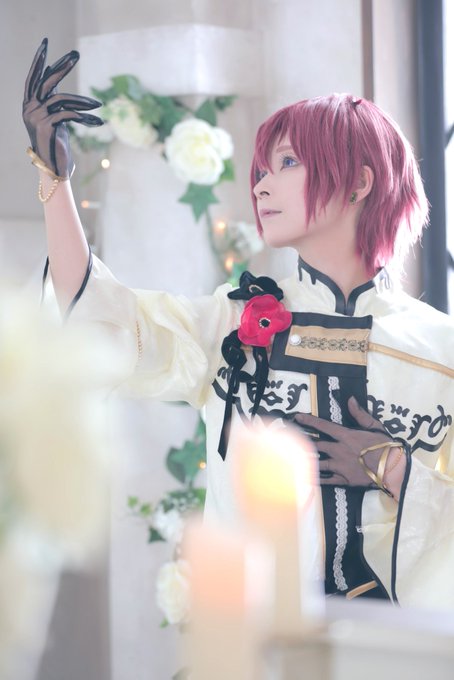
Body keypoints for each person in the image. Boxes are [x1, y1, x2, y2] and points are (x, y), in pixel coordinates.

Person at [23, 39, 454, 608]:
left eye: (288, 162)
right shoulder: (233, 319)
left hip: (399, 647)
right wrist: (55, 181)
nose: (261, 184)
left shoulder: (440, 350)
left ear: (359, 183)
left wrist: (390, 466)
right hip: (256, 637)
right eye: (261, 169)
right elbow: (105, 322)